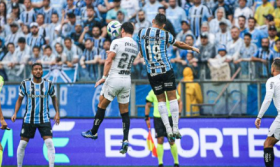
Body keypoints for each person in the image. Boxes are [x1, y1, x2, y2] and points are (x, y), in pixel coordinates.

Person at [135, 14, 199, 141]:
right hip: (166, 69)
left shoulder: (141, 32)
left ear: (153, 21)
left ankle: (168, 131)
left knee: (161, 101)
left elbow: (141, 51)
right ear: (163, 25)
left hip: (152, 72)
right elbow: (179, 44)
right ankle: (175, 128)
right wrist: (192, 48)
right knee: (172, 98)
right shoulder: (165, 35)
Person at [81, 22, 139, 154]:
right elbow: (129, 58)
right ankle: (125, 140)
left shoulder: (116, 42)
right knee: (124, 112)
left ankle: (94, 132)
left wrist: (103, 77)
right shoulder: (135, 45)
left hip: (114, 78)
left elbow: (109, 60)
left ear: (122, 30)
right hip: (126, 79)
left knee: (101, 104)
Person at [11, 63, 60, 167]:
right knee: (22, 144)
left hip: (44, 118)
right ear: (32, 72)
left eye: (40, 69)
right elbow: (19, 99)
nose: (38, 71)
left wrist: (57, 113)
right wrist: (15, 113)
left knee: (50, 143)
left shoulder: (49, 84)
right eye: (36, 69)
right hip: (29, 119)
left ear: (42, 71)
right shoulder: (25, 84)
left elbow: (54, 98)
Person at [145, 89, 182, 167]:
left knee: (171, 140)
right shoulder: (153, 91)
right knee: (160, 139)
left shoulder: (170, 90)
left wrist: (179, 114)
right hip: (158, 118)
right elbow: (148, 104)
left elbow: (179, 102)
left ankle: (176, 163)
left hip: (169, 117)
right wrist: (146, 117)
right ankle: (160, 163)